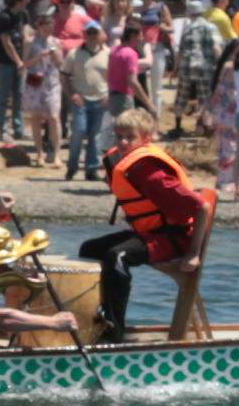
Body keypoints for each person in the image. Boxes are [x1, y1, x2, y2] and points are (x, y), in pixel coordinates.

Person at [89, 122, 216, 340]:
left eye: (130, 137)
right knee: (91, 248)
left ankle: (114, 333)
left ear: (145, 138)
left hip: (175, 239)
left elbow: (202, 207)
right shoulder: (128, 165)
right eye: (118, 136)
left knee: (118, 256)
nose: (122, 143)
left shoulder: (149, 171)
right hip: (152, 234)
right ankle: (93, 319)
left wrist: (194, 255)